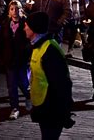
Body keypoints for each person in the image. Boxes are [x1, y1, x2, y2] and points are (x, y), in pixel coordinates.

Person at [25, 12, 74, 140]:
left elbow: (61, 83)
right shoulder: (37, 46)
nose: (24, 28)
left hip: (52, 108)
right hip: (44, 106)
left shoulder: (50, 50)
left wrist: (64, 111)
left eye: (26, 25)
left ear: (34, 28)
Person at [0, 0, 32, 120]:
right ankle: (14, 108)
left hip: (22, 59)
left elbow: (29, 41)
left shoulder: (25, 24)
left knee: (23, 82)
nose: (14, 11)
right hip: (9, 59)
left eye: (17, 9)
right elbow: (2, 41)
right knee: (11, 84)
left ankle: (29, 96)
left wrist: (27, 53)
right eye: (12, 9)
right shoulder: (6, 24)